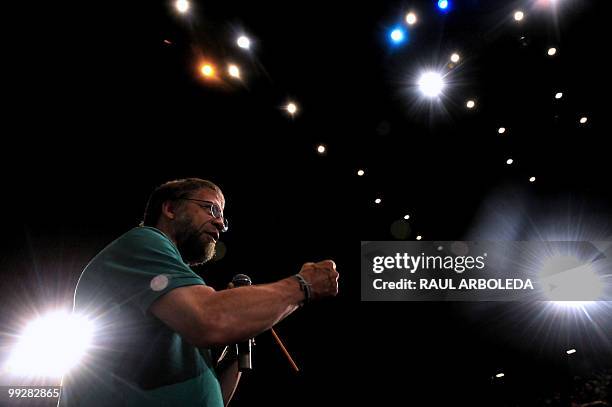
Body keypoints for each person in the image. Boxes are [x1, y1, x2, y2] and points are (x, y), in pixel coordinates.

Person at [58, 178, 339, 406]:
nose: (220, 223)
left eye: (224, 217)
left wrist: (237, 339)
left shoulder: (172, 293)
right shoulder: (145, 242)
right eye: (211, 209)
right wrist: (303, 285)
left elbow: (216, 395)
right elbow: (210, 319)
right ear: (170, 209)